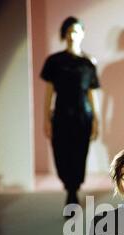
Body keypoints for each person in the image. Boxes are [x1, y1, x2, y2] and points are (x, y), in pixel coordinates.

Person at [40, 16, 100, 207]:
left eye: (75, 31)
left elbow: (92, 94)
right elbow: (49, 93)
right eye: (68, 32)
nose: (72, 36)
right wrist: (46, 119)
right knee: (61, 154)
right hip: (61, 115)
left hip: (83, 115)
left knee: (79, 153)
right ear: (63, 35)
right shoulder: (54, 61)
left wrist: (97, 120)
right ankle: (69, 187)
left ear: (82, 34)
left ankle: (72, 192)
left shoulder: (88, 63)